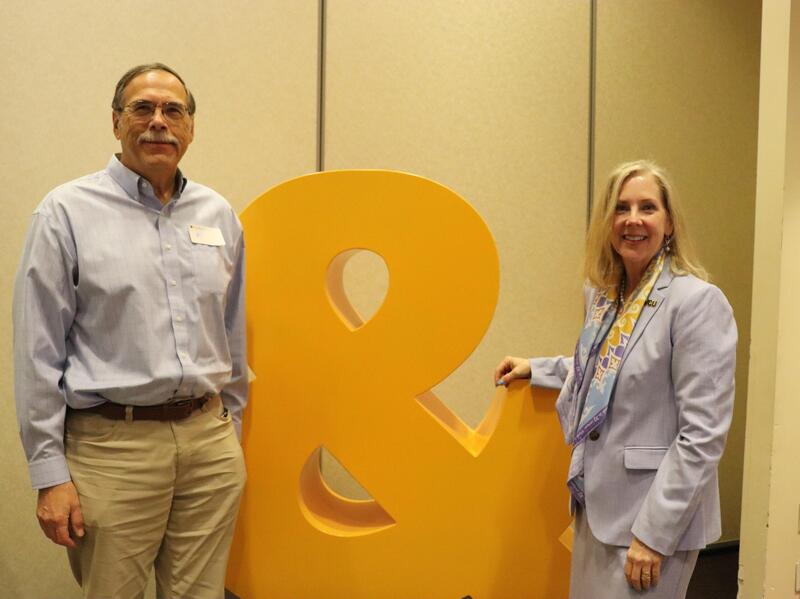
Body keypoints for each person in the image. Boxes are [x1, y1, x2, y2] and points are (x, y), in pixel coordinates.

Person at [13, 63, 247, 599]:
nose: (158, 122)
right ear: (117, 122)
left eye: (174, 110)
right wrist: (50, 474)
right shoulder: (65, 213)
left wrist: (229, 434)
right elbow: (36, 353)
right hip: (112, 449)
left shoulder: (218, 213)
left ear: (191, 126)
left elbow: (232, 331)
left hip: (208, 446)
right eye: (143, 108)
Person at [494, 160, 736, 599]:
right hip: (595, 505)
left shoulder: (696, 303)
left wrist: (654, 534)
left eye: (648, 207)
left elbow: (703, 435)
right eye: (621, 208)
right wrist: (540, 368)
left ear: (670, 223)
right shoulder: (605, 296)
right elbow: (606, 367)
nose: (633, 220)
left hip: (651, 521)